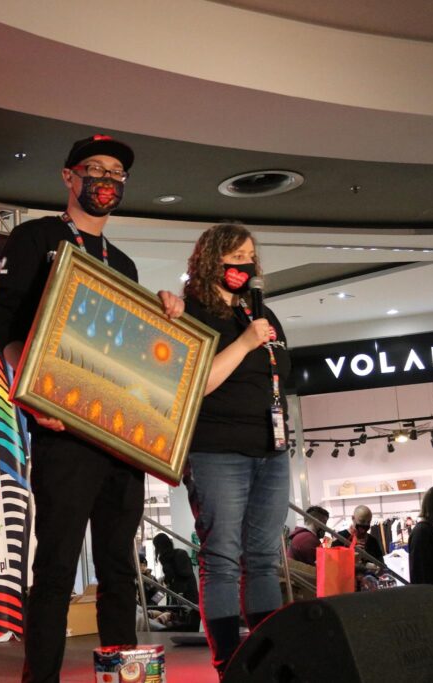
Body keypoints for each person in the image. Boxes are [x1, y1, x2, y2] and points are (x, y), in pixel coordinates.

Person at [0, 134, 183, 683]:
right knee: (55, 568)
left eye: (116, 173)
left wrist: (163, 316)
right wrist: (31, 391)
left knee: (120, 568)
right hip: (62, 430)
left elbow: (135, 353)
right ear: (68, 177)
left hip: (120, 437)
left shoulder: (124, 263)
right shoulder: (36, 237)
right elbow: (3, 322)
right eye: (94, 169)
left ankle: (124, 678)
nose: (106, 180)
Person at [179, 223, 291, 677]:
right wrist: (245, 343)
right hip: (216, 450)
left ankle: (267, 661)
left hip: (271, 449)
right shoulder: (193, 313)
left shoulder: (261, 313)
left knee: (264, 558)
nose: (246, 264)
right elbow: (197, 383)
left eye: (250, 256)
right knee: (223, 558)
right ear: (212, 260)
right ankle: (229, 663)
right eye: (236, 256)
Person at [152, 533, 201, 633]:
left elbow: (171, 579)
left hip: (181, 597)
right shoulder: (179, 554)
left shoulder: (169, 558)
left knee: (182, 627)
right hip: (188, 596)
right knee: (189, 626)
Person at [337, 505, 385, 575]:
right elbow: (333, 565)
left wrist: (373, 565)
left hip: (370, 580)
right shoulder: (340, 538)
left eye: (368, 522)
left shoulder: (373, 541)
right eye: (362, 521)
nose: (365, 525)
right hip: (347, 580)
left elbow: (382, 567)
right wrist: (351, 556)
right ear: (353, 518)